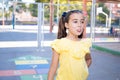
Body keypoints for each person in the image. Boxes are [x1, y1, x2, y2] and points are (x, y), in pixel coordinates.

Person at [48, 10, 92, 80]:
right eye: (75, 22)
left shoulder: (85, 43)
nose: (79, 25)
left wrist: (82, 70)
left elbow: (89, 59)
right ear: (67, 25)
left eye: (82, 22)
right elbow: (53, 68)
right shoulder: (59, 44)